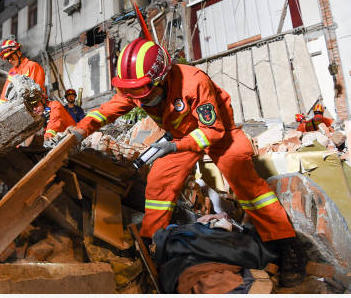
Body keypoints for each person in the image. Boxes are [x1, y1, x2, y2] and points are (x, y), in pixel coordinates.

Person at [67, 36, 307, 287]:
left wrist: (174, 146)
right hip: (181, 135)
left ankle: (287, 243)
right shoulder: (136, 88)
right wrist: (80, 130)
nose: (138, 101)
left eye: (144, 95)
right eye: (133, 95)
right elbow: (105, 110)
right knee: (159, 182)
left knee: (245, 182)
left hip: (218, 131)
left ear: (162, 79)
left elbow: (213, 131)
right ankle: (151, 243)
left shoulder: (194, 83)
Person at [0, 39, 45, 105]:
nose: (9, 61)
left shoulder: (32, 66)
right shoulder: (12, 72)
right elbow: (5, 94)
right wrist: (0, 108)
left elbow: (35, 91)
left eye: (11, 57)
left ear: (19, 53)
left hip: (36, 106)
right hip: (18, 106)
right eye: (7, 59)